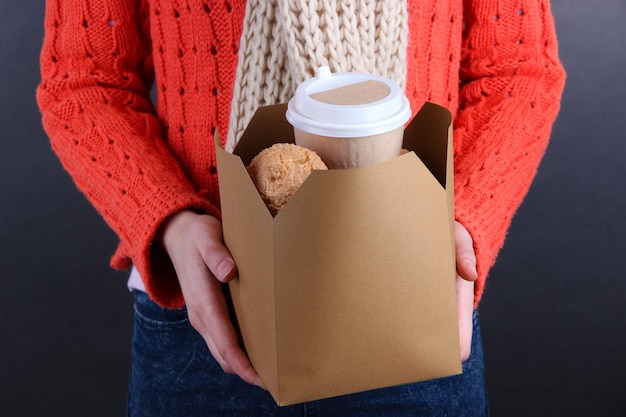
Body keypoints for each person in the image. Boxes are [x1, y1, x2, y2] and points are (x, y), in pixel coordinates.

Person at [37, 0, 565, 415]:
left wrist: (464, 225)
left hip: (411, 303)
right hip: (205, 323)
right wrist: (170, 220)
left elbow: (520, 70)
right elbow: (82, 80)